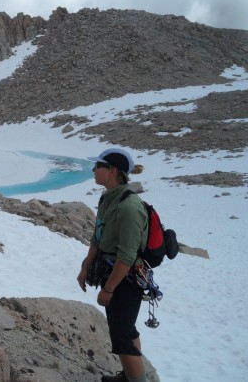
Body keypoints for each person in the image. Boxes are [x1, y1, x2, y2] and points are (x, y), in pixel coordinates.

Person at [76, 148, 149, 382]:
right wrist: (85, 267)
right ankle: (129, 375)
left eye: (98, 166)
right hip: (114, 273)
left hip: (124, 278)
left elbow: (127, 256)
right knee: (125, 329)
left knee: (121, 336)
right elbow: (98, 237)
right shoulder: (107, 199)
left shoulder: (129, 207)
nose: (93, 170)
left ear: (113, 171)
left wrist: (109, 289)